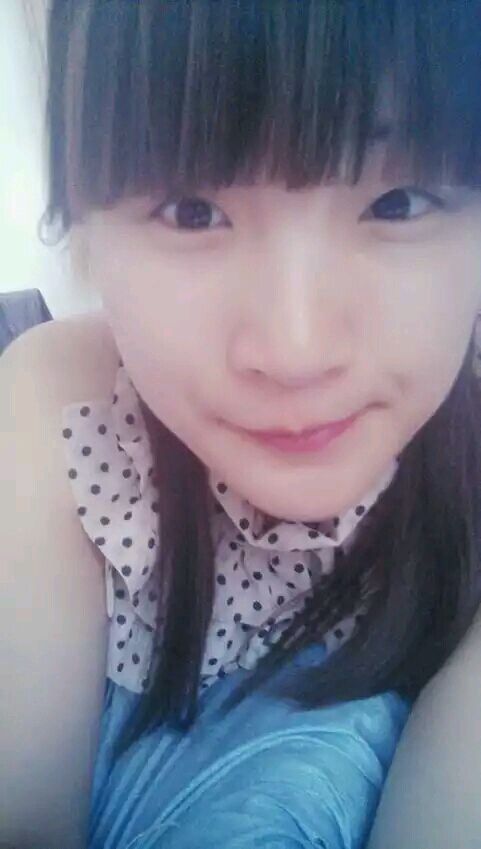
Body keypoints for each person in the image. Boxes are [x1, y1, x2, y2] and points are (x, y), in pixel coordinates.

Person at [2, 1, 481, 847]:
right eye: (191, 211)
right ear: (83, 225)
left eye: (398, 202)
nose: (294, 351)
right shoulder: (69, 418)